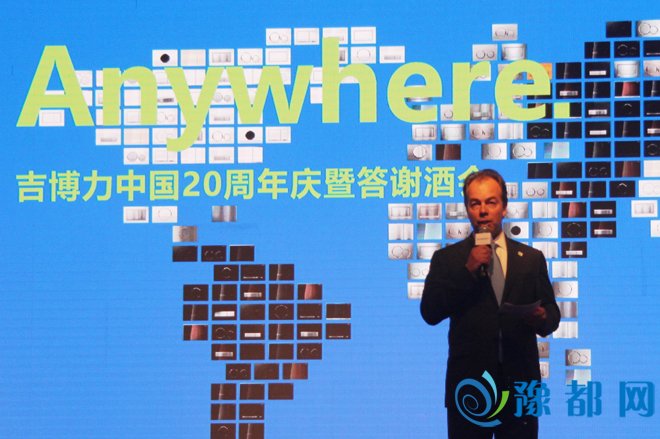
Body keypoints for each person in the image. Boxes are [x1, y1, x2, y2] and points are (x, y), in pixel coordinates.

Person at [420, 169, 560, 439]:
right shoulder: (447, 259)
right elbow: (430, 312)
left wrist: (542, 317)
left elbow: (552, 315)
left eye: (491, 202)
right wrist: (468, 271)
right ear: (467, 209)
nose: (483, 210)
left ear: (504, 208)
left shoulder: (531, 259)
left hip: (520, 387)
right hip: (470, 388)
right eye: (475, 203)